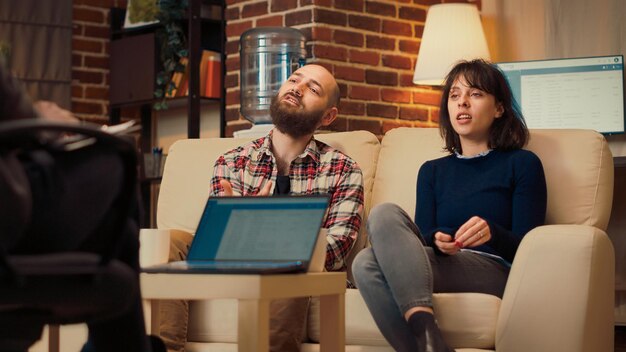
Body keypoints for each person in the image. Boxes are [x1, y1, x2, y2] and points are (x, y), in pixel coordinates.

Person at [159, 63, 364, 352]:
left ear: (328, 116)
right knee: (170, 242)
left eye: (313, 89)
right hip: (234, 267)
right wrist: (228, 224)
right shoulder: (231, 161)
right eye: (294, 80)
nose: (297, 88)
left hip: (298, 270)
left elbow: (336, 248)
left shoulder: (344, 169)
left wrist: (266, 233)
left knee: (291, 255)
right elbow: (217, 243)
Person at [351, 59, 547, 352]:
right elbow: (425, 234)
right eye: (455, 96)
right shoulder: (432, 171)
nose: (462, 103)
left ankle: (427, 340)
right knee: (367, 255)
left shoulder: (522, 164)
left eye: (475, 94)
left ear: (499, 108)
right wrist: (438, 239)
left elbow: (529, 247)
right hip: (441, 262)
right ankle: (430, 340)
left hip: (495, 269)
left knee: (366, 261)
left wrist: (492, 232)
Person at [0, 64, 165, 352]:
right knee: (114, 157)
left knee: (122, 231)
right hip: (10, 224)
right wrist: (42, 116)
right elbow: (13, 108)